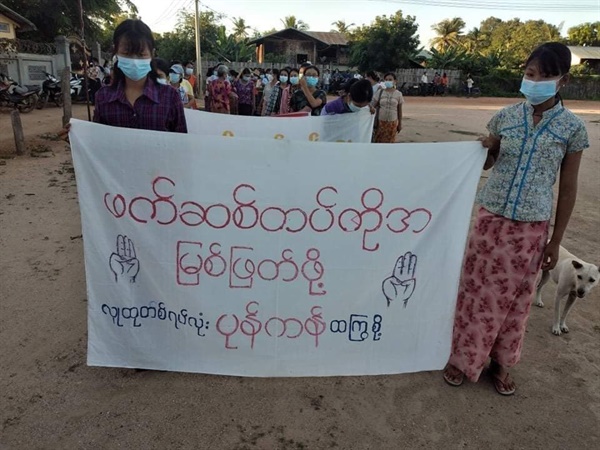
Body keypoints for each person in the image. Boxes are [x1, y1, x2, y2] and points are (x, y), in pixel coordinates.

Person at [442, 42, 589, 396]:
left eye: (544, 75)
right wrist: (490, 148)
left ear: (562, 81)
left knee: (515, 299)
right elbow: (488, 165)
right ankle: (462, 357)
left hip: (530, 229)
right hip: (490, 219)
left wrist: (555, 240)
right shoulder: (504, 118)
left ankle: (501, 362)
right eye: (529, 73)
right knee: (475, 290)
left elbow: (567, 190)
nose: (534, 81)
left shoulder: (572, 129)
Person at [93, 19, 186, 133]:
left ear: (152, 54)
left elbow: (181, 142)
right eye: (126, 54)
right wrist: (74, 137)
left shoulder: (170, 97)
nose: (134, 60)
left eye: (141, 54)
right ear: (116, 52)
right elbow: (97, 141)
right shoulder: (103, 97)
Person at [372, 72, 404, 143]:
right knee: (379, 141)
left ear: (395, 81)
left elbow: (399, 111)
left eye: (390, 79)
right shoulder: (380, 92)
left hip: (392, 123)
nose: (388, 81)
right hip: (380, 123)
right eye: (386, 80)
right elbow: (373, 106)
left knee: (390, 142)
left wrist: (400, 124)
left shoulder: (398, 94)